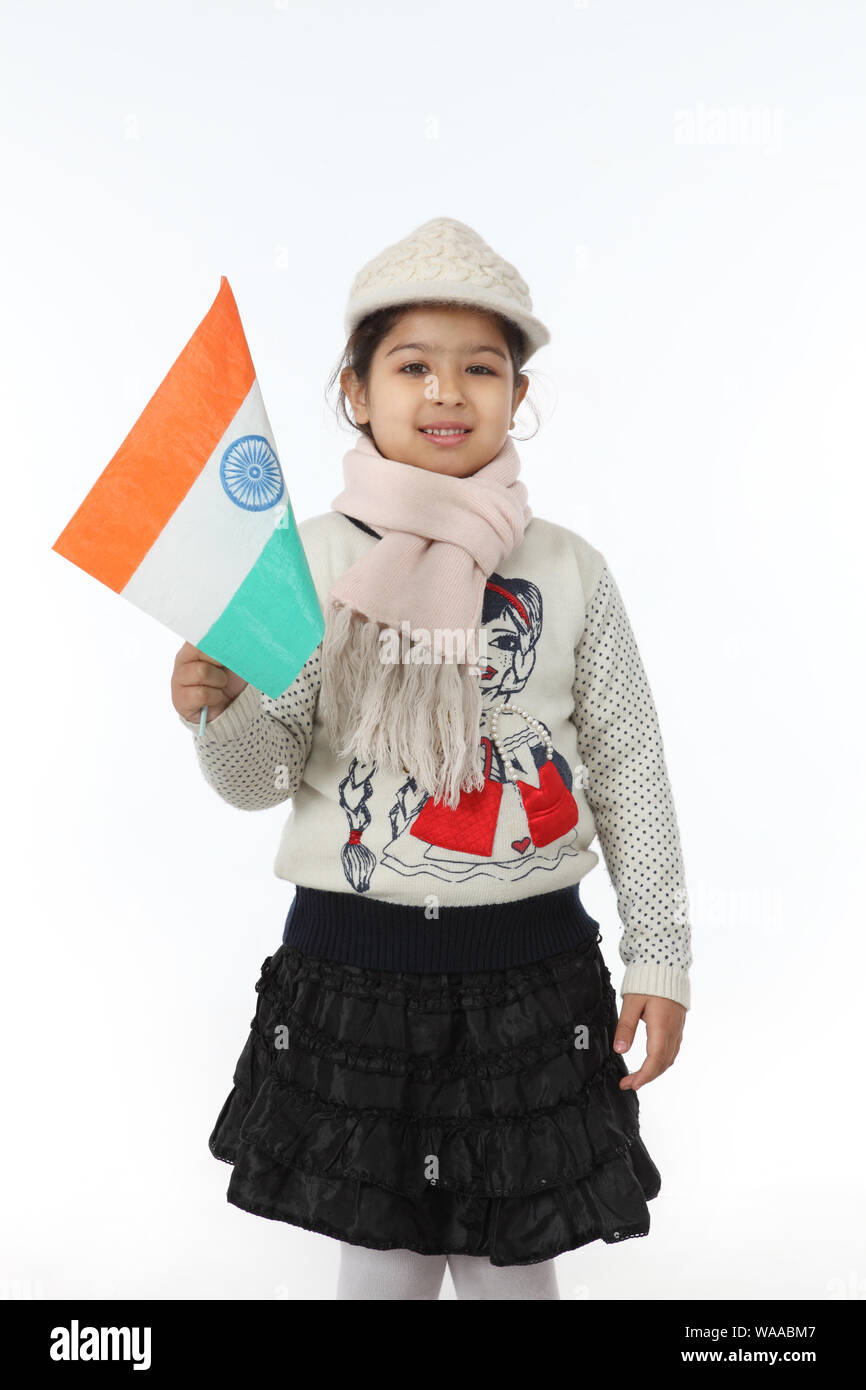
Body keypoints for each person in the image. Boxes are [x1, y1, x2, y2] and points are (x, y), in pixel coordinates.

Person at [173, 216, 693, 1300]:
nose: (447, 391)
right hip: (355, 978)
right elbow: (259, 780)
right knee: (384, 1262)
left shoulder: (565, 569)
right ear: (356, 392)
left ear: (517, 394)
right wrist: (217, 714)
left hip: (527, 980)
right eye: (413, 364)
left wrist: (660, 957)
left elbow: (629, 770)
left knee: (512, 1266)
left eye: (480, 368)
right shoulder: (300, 563)